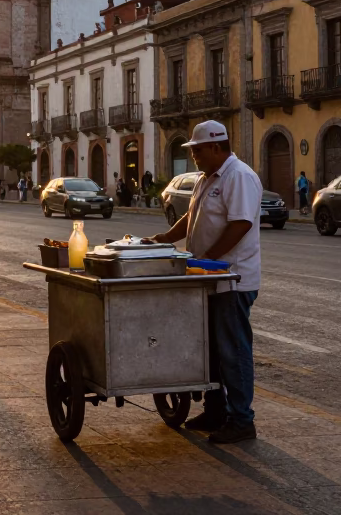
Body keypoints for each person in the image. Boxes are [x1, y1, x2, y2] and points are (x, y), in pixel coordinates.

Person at [149, 120, 263, 444]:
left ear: (216, 147)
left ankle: (242, 420)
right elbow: (192, 216)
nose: (194, 157)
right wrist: (165, 238)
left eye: (197, 151)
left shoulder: (238, 176)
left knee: (233, 349)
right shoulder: (205, 178)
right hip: (208, 278)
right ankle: (216, 410)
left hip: (231, 279)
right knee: (210, 349)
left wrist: (208, 260)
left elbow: (239, 224)